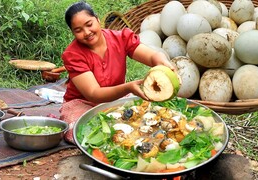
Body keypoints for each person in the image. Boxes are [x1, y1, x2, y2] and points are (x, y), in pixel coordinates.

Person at [59, 1, 175, 144]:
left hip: (117, 99)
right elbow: (93, 94)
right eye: (78, 30)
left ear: (97, 19)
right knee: (82, 131)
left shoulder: (121, 38)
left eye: (89, 24)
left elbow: (151, 56)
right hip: (83, 103)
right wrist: (127, 87)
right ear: (72, 32)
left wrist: (161, 59)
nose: (87, 32)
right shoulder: (73, 54)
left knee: (147, 121)